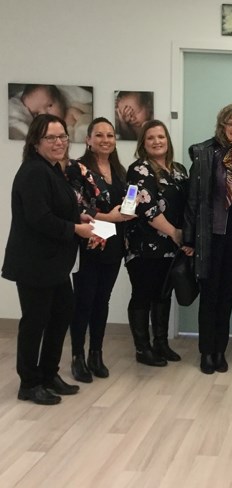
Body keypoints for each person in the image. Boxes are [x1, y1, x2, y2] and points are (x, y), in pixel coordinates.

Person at [2, 114, 95, 405]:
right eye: (51, 138)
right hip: (34, 263)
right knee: (35, 322)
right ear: (35, 142)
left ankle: (48, 374)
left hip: (54, 264)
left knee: (60, 316)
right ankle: (29, 383)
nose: (59, 143)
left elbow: (55, 208)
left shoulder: (53, 170)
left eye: (63, 137)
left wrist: (77, 216)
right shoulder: (33, 172)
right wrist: (75, 229)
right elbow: (39, 218)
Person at [183, 104, 232, 375]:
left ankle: (220, 351)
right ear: (222, 127)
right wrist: (189, 239)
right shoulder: (204, 154)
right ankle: (206, 352)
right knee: (209, 298)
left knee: (227, 298)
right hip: (209, 239)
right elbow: (193, 201)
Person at [65, 117, 135, 382]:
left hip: (113, 245)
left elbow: (125, 206)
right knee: (83, 301)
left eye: (110, 135)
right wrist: (110, 217)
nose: (105, 140)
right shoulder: (76, 169)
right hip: (88, 243)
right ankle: (77, 356)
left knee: (101, 301)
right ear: (88, 140)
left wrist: (128, 213)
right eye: (100, 135)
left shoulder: (119, 170)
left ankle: (96, 353)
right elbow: (75, 208)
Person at [125, 120, 188, 367]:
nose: (157, 141)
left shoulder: (180, 170)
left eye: (161, 137)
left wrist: (186, 237)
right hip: (144, 247)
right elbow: (146, 208)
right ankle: (143, 349)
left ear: (168, 140)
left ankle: (161, 343)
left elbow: (189, 205)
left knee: (163, 295)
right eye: (150, 138)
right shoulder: (139, 169)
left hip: (172, 248)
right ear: (143, 143)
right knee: (143, 294)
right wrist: (175, 233)